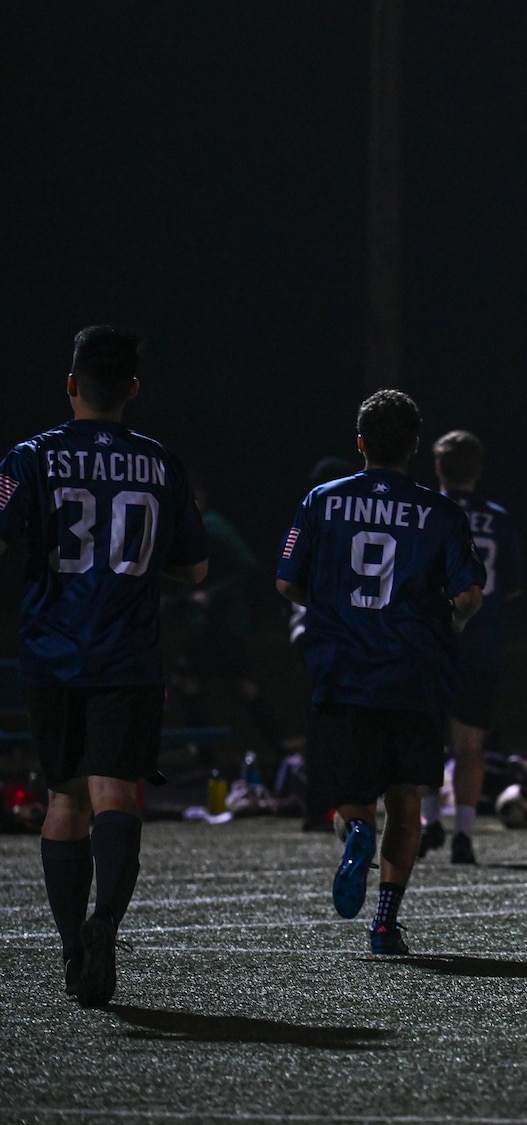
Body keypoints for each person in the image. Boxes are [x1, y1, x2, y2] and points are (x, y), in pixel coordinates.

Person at [2, 327, 209, 1006]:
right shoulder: (160, 461)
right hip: (128, 651)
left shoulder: (32, 455)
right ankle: (105, 927)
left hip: (54, 648)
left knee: (64, 797)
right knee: (115, 795)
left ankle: (71, 952)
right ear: (133, 391)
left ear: (71, 385)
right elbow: (196, 564)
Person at [276, 390, 484, 955]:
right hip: (412, 672)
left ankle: (356, 833)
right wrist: (451, 620)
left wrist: (330, 604)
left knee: (354, 798)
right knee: (407, 798)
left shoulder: (320, 500)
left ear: (361, 443)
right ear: (416, 446)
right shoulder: (439, 512)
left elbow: (286, 582)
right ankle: (386, 924)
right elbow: (468, 593)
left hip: (342, 669)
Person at [421, 430, 524, 865]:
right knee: (470, 746)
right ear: (479, 470)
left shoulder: (427, 512)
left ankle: (429, 823)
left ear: (438, 468)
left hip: (432, 641)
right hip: (482, 645)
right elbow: (513, 589)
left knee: (424, 738)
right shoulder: (499, 519)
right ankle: (464, 832)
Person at [166, 478, 287, 773]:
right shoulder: (189, 532)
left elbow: (248, 566)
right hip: (206, 627)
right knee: (191, 683)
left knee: (241, 686)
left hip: (224, 626)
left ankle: (280, 754)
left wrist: (211, 595)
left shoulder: (213, 525)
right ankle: (207, 759)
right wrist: (176, 600)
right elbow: (191, 579)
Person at [289, 455, 358, 831]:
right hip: (343, 632)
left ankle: (320, 808)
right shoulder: (343, 517)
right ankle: (341, 805)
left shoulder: (314, 515)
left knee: (320, 725)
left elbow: (287, 580)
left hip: (313, 632)